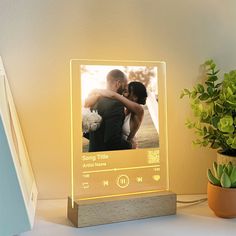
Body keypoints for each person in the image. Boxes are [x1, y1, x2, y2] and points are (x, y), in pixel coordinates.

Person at [85, 79, 148, 149]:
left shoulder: (139, 110)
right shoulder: (122, 110)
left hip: (127, 149)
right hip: (118, 147)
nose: (122, 94)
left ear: (135, 97)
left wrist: (96, 90)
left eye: (126, 92)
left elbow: (113, 95)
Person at [84, 69, 132, 152]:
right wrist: (130, 145)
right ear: (118, 83)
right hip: (108, 157)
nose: (125, 89)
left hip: (93, 154)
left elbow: (88, 133)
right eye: (124, 85)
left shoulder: (94, 102)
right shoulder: (116, 104)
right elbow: (112, 141)